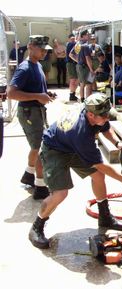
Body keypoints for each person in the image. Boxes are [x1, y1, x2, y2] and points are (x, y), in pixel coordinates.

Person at [28, 93, 122, 249]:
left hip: (71, 145)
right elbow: (100, 165)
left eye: (107, 115)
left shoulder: (95, 112)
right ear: (91, 115)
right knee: (60, 193)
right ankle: (36, 226)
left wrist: (117, 142)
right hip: (54, 149)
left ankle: (104, 216)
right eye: (104, 116)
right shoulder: (81, 131)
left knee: (98, 177)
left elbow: (106, 128)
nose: (106, 118)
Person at [6, 35, 55, 200]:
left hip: (36, 111)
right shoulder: (25, 68)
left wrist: (46, 94)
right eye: (41, 49)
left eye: (45, 50)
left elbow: (36, 89)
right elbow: (11, 93)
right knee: (42, 149)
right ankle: (40, 187)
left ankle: (28, 175)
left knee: (36, 147)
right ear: (30, 47)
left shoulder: (38, 65)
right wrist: (37, 96)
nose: (43, 53)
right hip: (29, 113)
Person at [70, 30, 94, 102]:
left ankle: (83, 99)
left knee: (82, 84)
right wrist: (91, 69)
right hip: (86, 67)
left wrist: (79, 61)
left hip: (80, 66)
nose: (89, 35)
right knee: (89, 84)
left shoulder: (78, 44)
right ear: (83, 36)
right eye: (87, 34)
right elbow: (88, 58)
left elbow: (71, 55)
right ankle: (89, 101)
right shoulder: (86, 46)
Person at [66, 33, 79, 102]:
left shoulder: (72, 44)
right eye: (72, 39)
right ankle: (71, 95)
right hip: (71, 63)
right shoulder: (70, 44)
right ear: (69, 39)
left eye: (74, 39)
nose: (73, 40)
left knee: (75, 79)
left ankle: (73, 94)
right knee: (73, 80)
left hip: (73, 63)